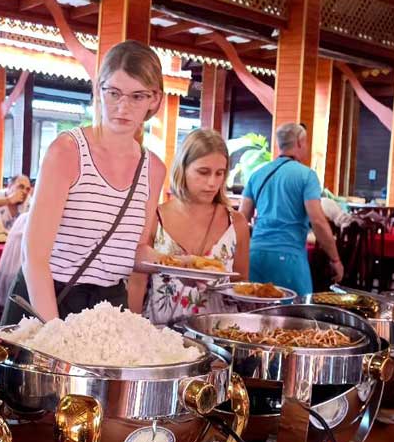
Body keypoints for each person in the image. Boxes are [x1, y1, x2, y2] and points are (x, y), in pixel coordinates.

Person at [2, 40, 166, 323]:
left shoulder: (153, 168)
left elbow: (134, 250)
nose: (123, 107)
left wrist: (180, 267)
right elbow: (34, 256)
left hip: (108, 308)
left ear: (155, 100)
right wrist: (53, 331)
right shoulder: (66, 151)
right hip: (49, 298)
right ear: (98, 91)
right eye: (114, 93)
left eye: (137, 96)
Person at [133, 129, 249, 324]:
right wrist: (131, 330)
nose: (212, 182)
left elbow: (241, 286)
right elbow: (137, 283)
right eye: (203, 172)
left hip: (218, 335)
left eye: (219, 173)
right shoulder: (154, 217)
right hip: (160, 336)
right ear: (182, 169)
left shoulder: (236, 222)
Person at [239, 122, 343, 296]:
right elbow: (317, 221)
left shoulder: (257, 175)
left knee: (254, 315)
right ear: (300, 142)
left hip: (254, 255)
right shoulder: (306, 176)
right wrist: (335, 259)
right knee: (297, 317)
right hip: (288, 259)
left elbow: (241, 218)